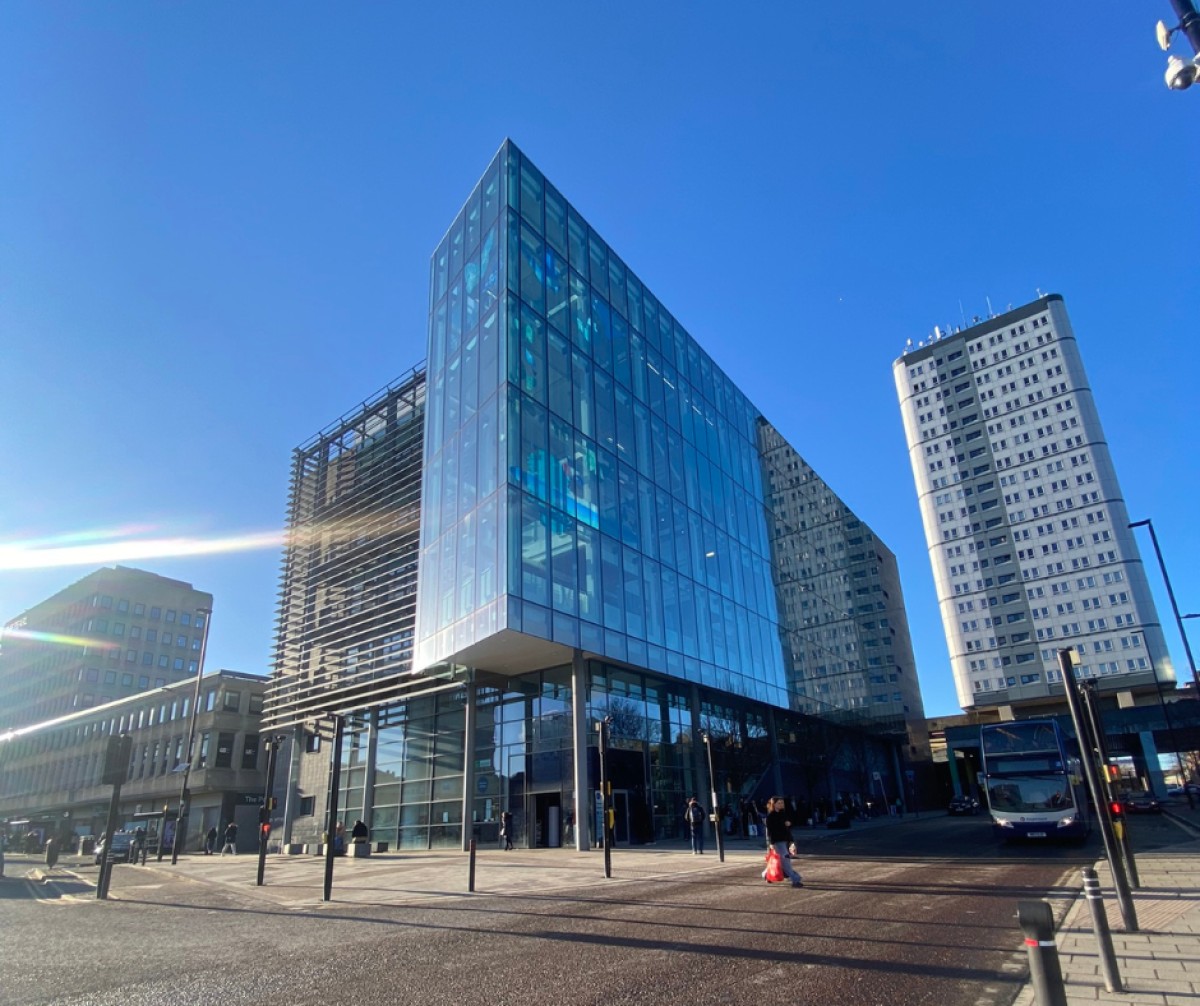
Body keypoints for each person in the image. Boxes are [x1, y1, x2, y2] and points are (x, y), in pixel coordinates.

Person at [764, 795, 803, 888]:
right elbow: (770, 831)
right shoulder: (770, 817)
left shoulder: (783, 814)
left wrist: (789, 826)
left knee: (779, 861)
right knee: (785, 860)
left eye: (782, 803)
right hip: (777, 842)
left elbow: (787, 829)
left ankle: (766, 875)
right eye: (779, 803)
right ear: (774, 804)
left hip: (784, 841)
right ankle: (795, 880)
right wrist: (771, 843)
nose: (781, 804)